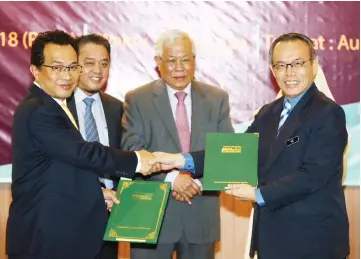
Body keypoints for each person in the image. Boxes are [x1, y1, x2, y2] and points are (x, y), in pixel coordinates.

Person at [165, 32, 350, 259]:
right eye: (281, 65)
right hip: (272, 240)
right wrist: (182, 160)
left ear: (313, 65)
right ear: (272, 70)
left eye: (297, 63)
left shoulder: (328, 113)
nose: (289, 72)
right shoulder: (268, 113)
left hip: (313, 242)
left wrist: (257, 194)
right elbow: (237, 152)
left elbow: (312, 175)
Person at [6, 30, 164, 259]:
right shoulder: (39, 109)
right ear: (35, 71)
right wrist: (138, 160)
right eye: (57, 67)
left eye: (72, 67)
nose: (66, 75)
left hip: (66, 232)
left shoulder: (53, 105)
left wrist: (96, 193)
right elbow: (84, 153)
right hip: (45, 237)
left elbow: (61, 170)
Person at [121, 29, 234, 259]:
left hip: (200, 213)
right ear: (158, 63)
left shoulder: (217, 98)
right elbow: (132, 149)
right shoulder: (137, 99)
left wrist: (195, 183)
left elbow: (227, 153)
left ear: (194, 61)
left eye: (185, 60)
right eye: (171, 61)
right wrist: (173, 179)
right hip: (151, 215)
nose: (179, 67)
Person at [66, 34, 121, 259]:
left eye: (104, 63)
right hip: (68, 216)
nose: (98, 70)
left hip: (109, 218)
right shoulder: (57, 108)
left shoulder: (118, 109)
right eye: (89, 63)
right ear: (75, 65)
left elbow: (122, 160)